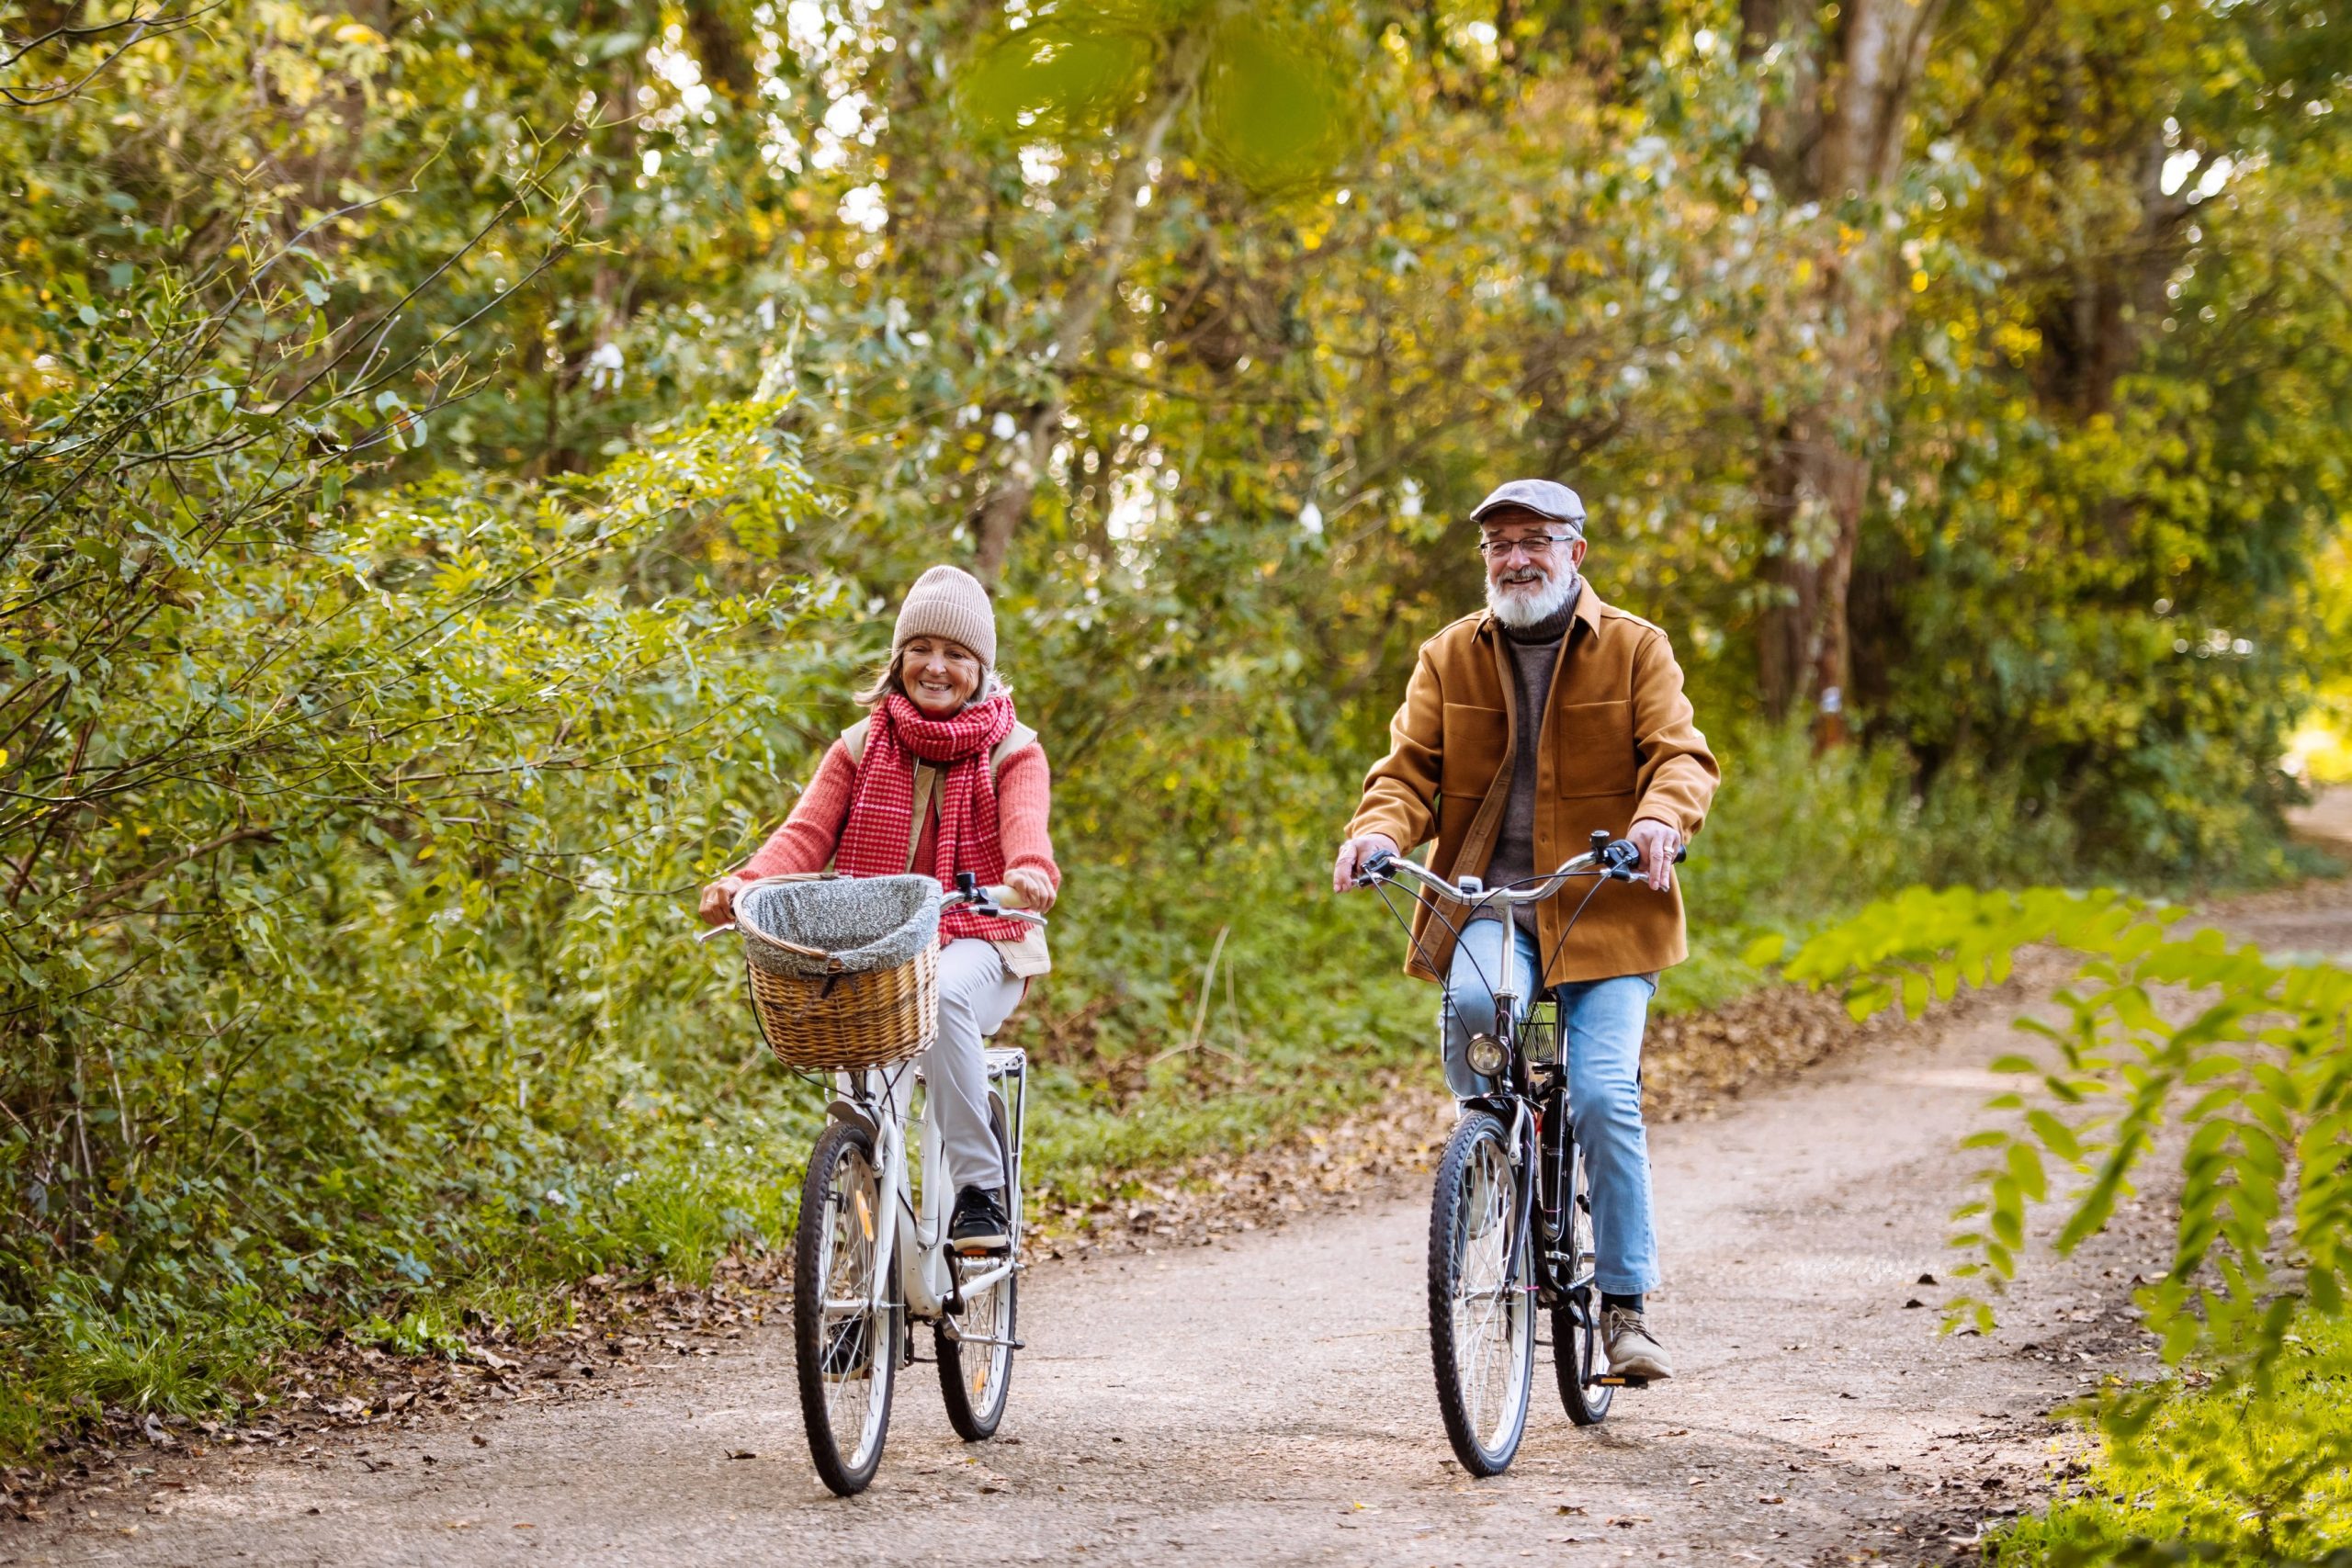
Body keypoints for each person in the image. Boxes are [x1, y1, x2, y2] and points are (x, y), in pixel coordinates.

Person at [1331, 479, 1719, 1381]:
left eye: (1534, 539)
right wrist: (1377, 833)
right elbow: (1406, 772)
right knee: (1480, 1010)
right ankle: (1493, 1161)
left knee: (1599, 1095)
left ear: (1574, 552)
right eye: (1498, 544)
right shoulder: (1447, 657)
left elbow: (1679, 755)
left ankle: (1623, 1305)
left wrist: (1660, 820)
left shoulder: (1634, 649)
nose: (1515, 558)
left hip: (1605, 914)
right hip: (1492, 909)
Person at [700, 565, 1058, 1255]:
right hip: (878, 949)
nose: (936, 666)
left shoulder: (1014, 748)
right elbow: (804, 836)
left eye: (957, 654)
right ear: (899, 659)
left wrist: (1029, 874)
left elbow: (1026, 827)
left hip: (981, 935)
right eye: (921, 647)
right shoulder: (862, 745)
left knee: (945, 995)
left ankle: (981, 1189)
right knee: (866, 1101)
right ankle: (864, 1293)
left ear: (981, 668)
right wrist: (742, 883)